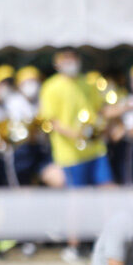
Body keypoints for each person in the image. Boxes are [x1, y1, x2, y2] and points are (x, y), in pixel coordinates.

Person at [40, 49, 112, 189]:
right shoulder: (50, 87)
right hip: (70, 156)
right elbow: (51, 121)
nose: (70, 61)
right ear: (57, 62)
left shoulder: (87, 83)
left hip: (96, 150)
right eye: (65, 58)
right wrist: (76, 135)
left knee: (108, 190)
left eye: (72, 58)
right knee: (77, 202)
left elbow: (99, 111)